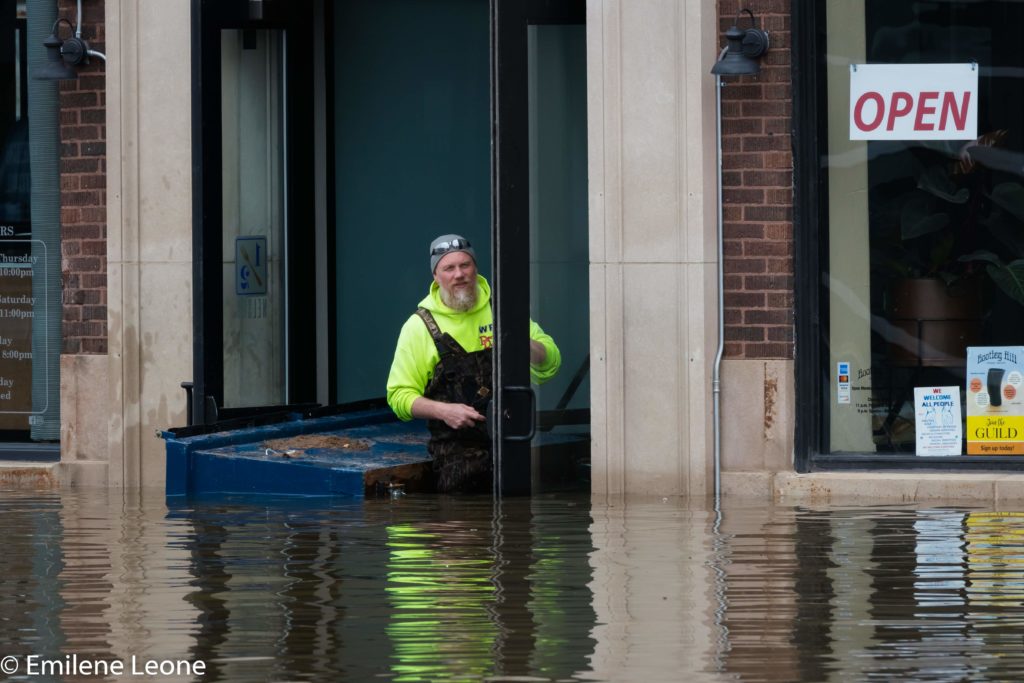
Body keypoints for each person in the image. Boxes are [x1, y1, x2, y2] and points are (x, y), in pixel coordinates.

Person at [386, 234, 561, 493]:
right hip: (457, 456)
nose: (459, 274)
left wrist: (518, 340)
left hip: (513, 443)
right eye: (449, 268)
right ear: (436, 276)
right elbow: (398, 397)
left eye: (465, 265)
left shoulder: (503, 308)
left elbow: (549, 366)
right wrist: (444, 411)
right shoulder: (419, 327)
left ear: (475, 268)